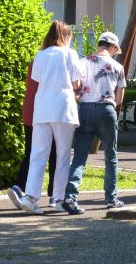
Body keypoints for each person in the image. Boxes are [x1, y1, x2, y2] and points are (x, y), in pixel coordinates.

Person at [20, 20, 83, 214]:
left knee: (38, 154)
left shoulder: (40, 55)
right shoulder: (70, 54)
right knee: (63, 155)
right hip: (63, 109)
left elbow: (37, 80)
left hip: (42, 109)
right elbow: (76, 83)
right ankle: (57, 199)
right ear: (65, 36)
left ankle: (30, 197)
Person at [61, 32, 126, 215]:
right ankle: (111, 199)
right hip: (106, 110)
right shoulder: (117, 66)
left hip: (84, 110)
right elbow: (119, 98)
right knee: (110, 156)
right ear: (112, 47)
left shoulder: (82, 62)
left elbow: (76, 87)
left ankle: (70, 196)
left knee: (80, 156)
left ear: (99, 44)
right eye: (116, 49)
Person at [7, 60, 57, 209]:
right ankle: (54, 195)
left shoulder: (34, 62)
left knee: (31, 152)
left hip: (30, 109)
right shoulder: (56, 61)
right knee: (55, 153)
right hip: (46, 112)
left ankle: (18, 186)